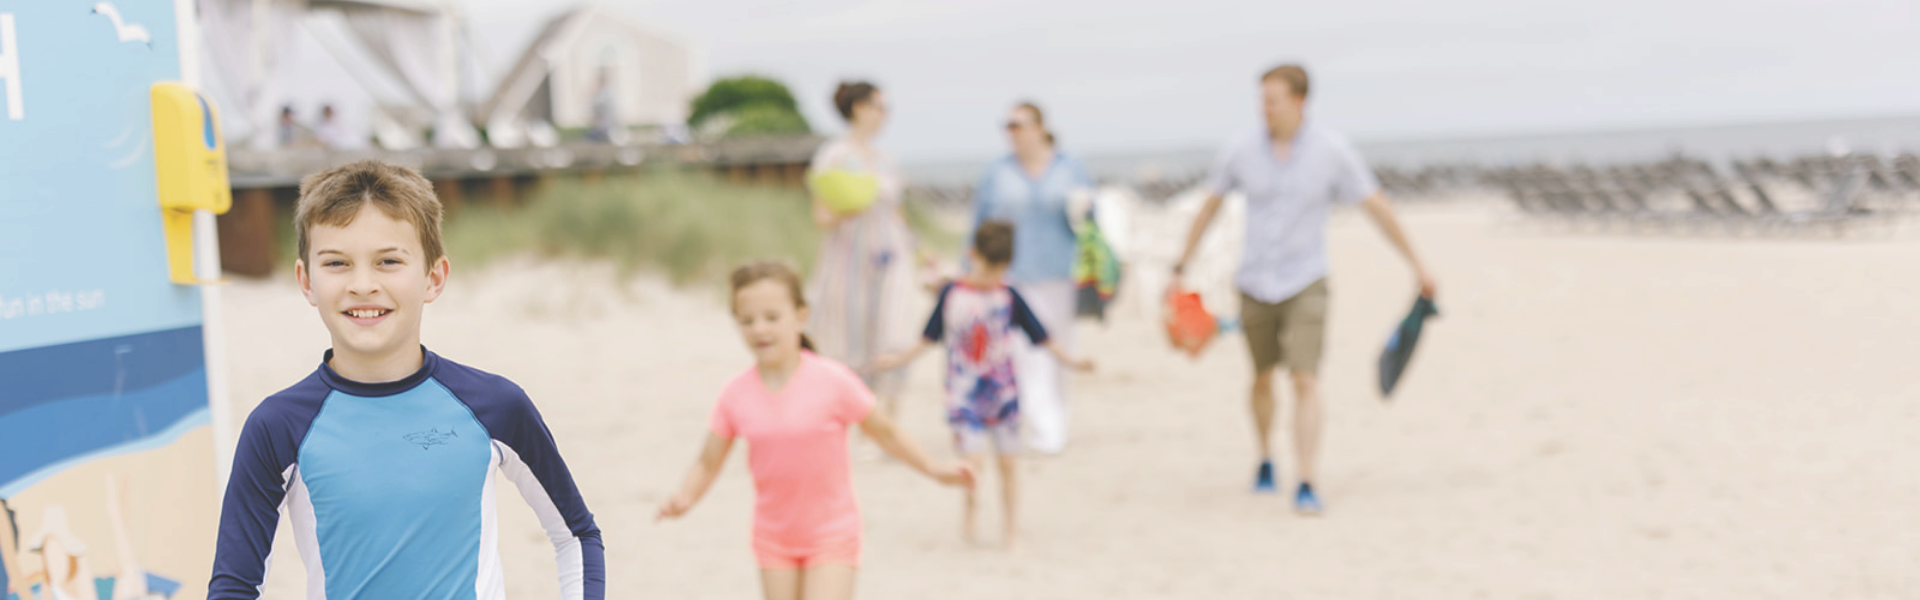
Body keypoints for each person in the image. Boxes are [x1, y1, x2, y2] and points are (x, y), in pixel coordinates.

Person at [208, 160, 605, 599]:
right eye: (337, 262)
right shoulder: (278, 425)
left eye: (388, 261)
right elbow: (234, 585)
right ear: (307, 281)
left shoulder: (494, 405)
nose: (362, 285)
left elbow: (575, 535)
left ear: (433, 277)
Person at [1171, 64, 1438, 516]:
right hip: (1254, 281)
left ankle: (1307, 479)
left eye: (1272, 100)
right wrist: (1181, 265)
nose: (1264, 109)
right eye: (1261, 100)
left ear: (1299, 102)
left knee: (1305, 377)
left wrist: (1417, 263)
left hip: (1307, 280)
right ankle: (1264, 457)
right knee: (1260, 376)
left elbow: (1376, 206)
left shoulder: (1332, 152)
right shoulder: (1240, 150)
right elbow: (1210, 205)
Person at [656, 261, 972, 600]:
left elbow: (887, 433)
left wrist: (935, 469)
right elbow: (708, 460)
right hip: (773, 538)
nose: (760, 329)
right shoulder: (735, 394)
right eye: (747, 320)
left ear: (800, 316)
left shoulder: (833, 381)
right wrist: (686, 496)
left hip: (832, 534)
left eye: (772, 317)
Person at [871, 221, 1094, 550]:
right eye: (988, 267)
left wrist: (1073, 361)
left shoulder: (1009, 295)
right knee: (970, 462)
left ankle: (1010, 528)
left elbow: (1041, 336)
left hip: (1003, 395)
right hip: (963, 396)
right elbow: (927, 338)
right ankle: (970, 512)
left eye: (999, 269)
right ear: (972, 254)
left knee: (1008, 463)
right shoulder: (951, 295)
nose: (992, 276)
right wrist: (897, 360)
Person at [964, 101, 1096, 455]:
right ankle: (1045, 427)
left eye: (1019, 124)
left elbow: (1091, 224)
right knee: (1026, 353)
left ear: (1040, 128)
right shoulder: (997, 172)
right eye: (1007, 125)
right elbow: (978, 223)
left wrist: (1086, 213)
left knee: (1062, 349)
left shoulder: (1070, 168)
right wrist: (971, 270)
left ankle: (1058, 418)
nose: (1013, 132)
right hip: (1014, 274)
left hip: (1063, 272)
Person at [805, 81, 923, 429]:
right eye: (880, 106)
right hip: (849, 260)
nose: (885, 115)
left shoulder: (886, 158)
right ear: (859, 108)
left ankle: (889, 422)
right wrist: (851, 206)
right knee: (852, 340)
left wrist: (921, 251)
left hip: (893, 255)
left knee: (895, 332)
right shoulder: (834, 155)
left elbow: (898, 212)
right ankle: (862, 424)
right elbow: (821, 216)